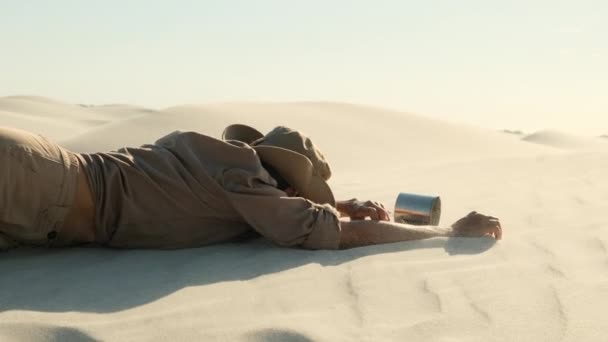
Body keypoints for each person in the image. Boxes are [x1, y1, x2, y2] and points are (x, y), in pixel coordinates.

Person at [0, 124, 501, 251]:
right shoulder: (242, 181)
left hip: (37, 178)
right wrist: (447, 235)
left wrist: (341, 203)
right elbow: (331, 234)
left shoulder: (213, 160)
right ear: (279, 180)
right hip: (36, 187)